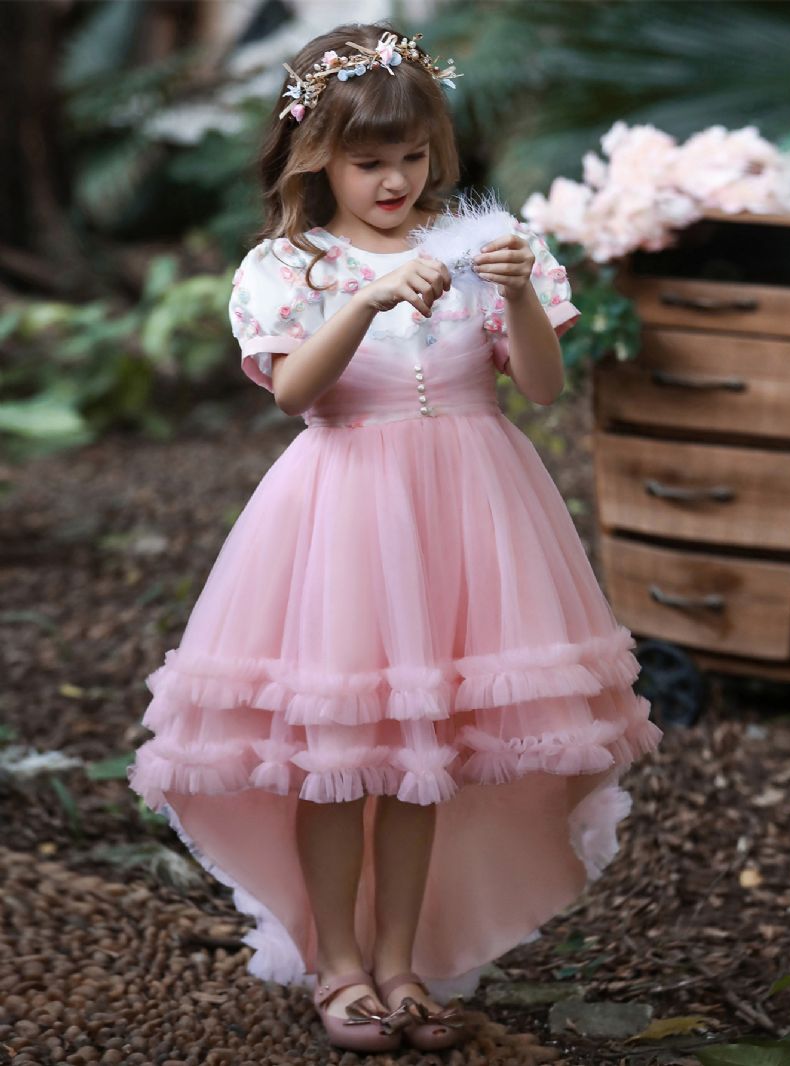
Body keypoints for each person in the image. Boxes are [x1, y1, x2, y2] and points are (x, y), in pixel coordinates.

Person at [127, 20, 664, 1055]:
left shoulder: (475, 242)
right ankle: (337, 961)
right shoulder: (291, 263)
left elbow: (541, 389)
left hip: (471, 511)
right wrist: (364, 298)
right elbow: (292, 391)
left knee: (423, 756)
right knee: (343, 751)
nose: (393, 180)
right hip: (343, 520)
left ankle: (403, 962)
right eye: (368, 161)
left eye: (412, 158)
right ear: (313, 154)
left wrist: (514, 292)